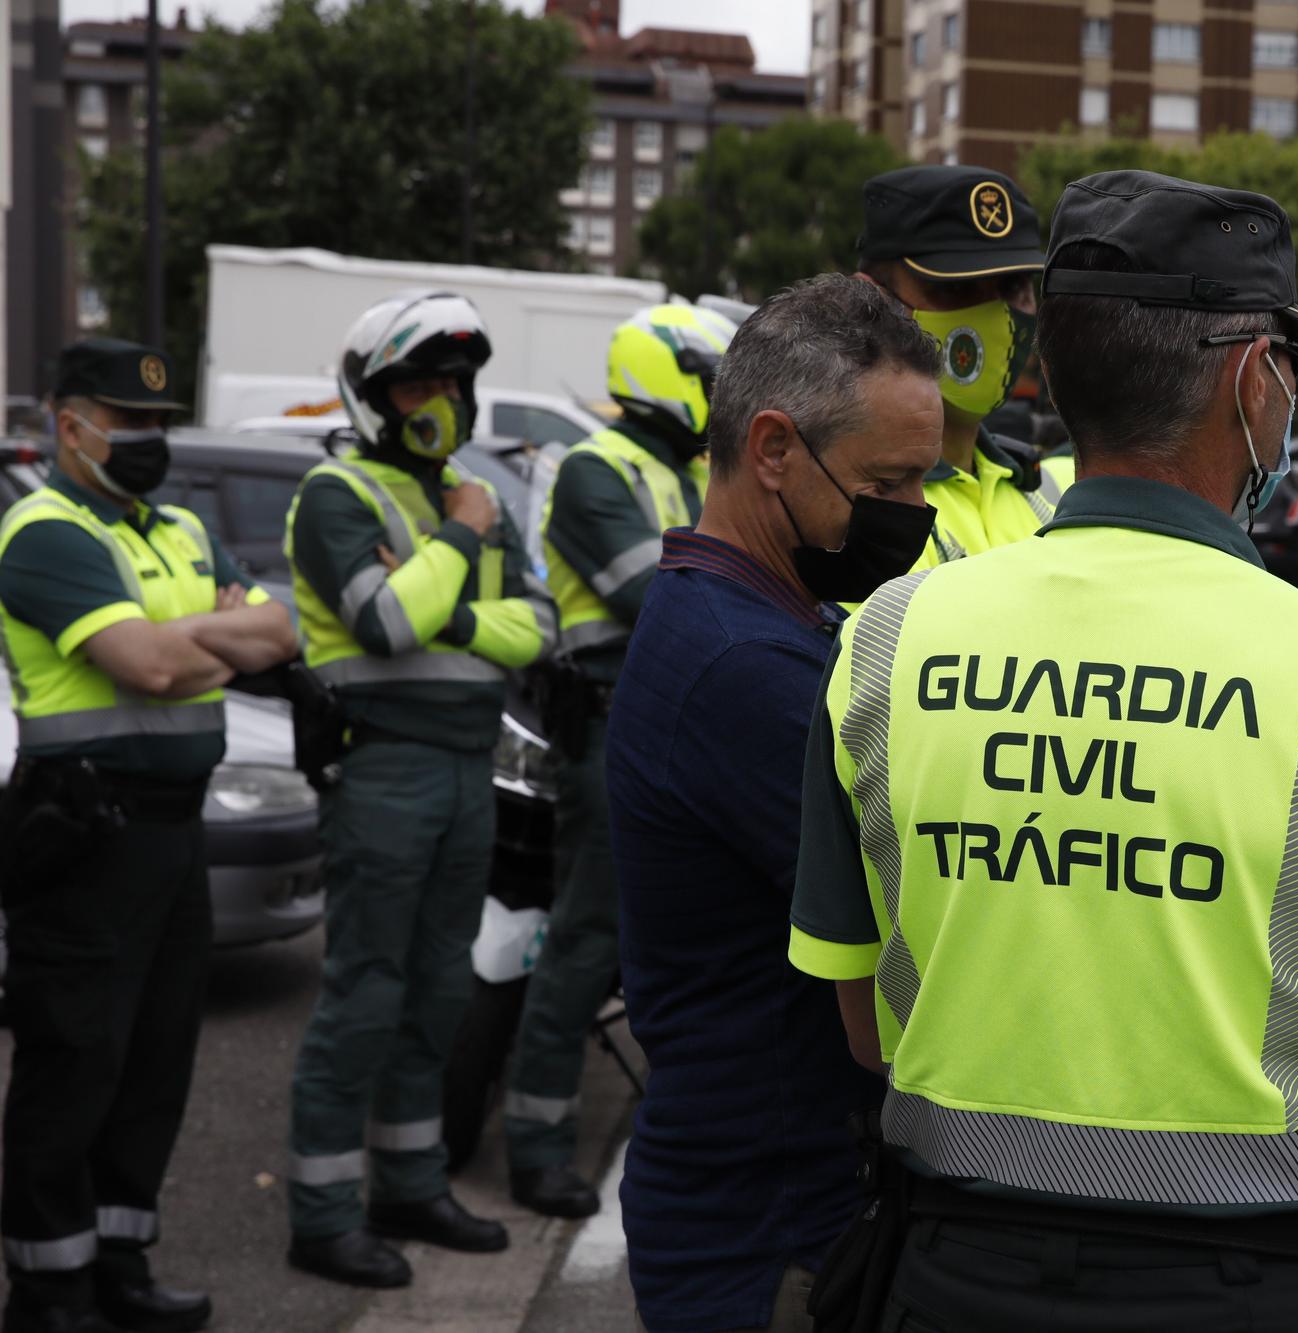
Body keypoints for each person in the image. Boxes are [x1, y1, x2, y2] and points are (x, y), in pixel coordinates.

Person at [789, 170, 1298, 1332]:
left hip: (946, 1277)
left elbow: (865, 1025)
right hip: (1257, 1287)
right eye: (1286, 357)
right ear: (1247, 374)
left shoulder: (883, 640)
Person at [604, 274, 942, 1333]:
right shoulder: (742, 668)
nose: (914, 519)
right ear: (773, 450)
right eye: (888, 483)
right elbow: (916, 918)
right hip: (770, 1232)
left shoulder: (748, 618)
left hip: (759, 1201)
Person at [0, 337, 296, 1333]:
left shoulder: (178, 526)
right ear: (66, 422)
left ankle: (119, 1261)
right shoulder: (43, 531)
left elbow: (283, 634)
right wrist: (214, 638)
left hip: (175, 836)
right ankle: (48, 1287)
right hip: (83, 837)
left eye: (157, 425)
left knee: (152, 1065)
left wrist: (194, 644)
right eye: (125, 422)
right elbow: (148, 666)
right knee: (73, 1063)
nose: (144, 441)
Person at [283, 292, 557, 1288]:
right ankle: (318, 1212)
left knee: (440, 988)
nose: (437, 398)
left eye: (450, 379)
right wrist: (456, 545)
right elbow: (385, 623)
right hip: (384, 766)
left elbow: (537, 631)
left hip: (465, 768)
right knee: (364, 991)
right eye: (416, 381)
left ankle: (409, 1182)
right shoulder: (341, 496)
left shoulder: (470, 501)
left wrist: (443, 600)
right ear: (372, 396)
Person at [502, 303, 731, 1219]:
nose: (720, 397)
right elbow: (659, 592)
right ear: (663, 374)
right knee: (586, 941)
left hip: (681, 725)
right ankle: (536, 1145)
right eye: (710, 378)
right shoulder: (594, 468)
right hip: (608, 727)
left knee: (689, 941)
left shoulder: (684, 471)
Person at [855, 165, 1070, 570]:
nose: (993, 315)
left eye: (1011, 287)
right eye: (955, 289)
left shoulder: (1042, 495)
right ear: (871, 298)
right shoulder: (850, 502)